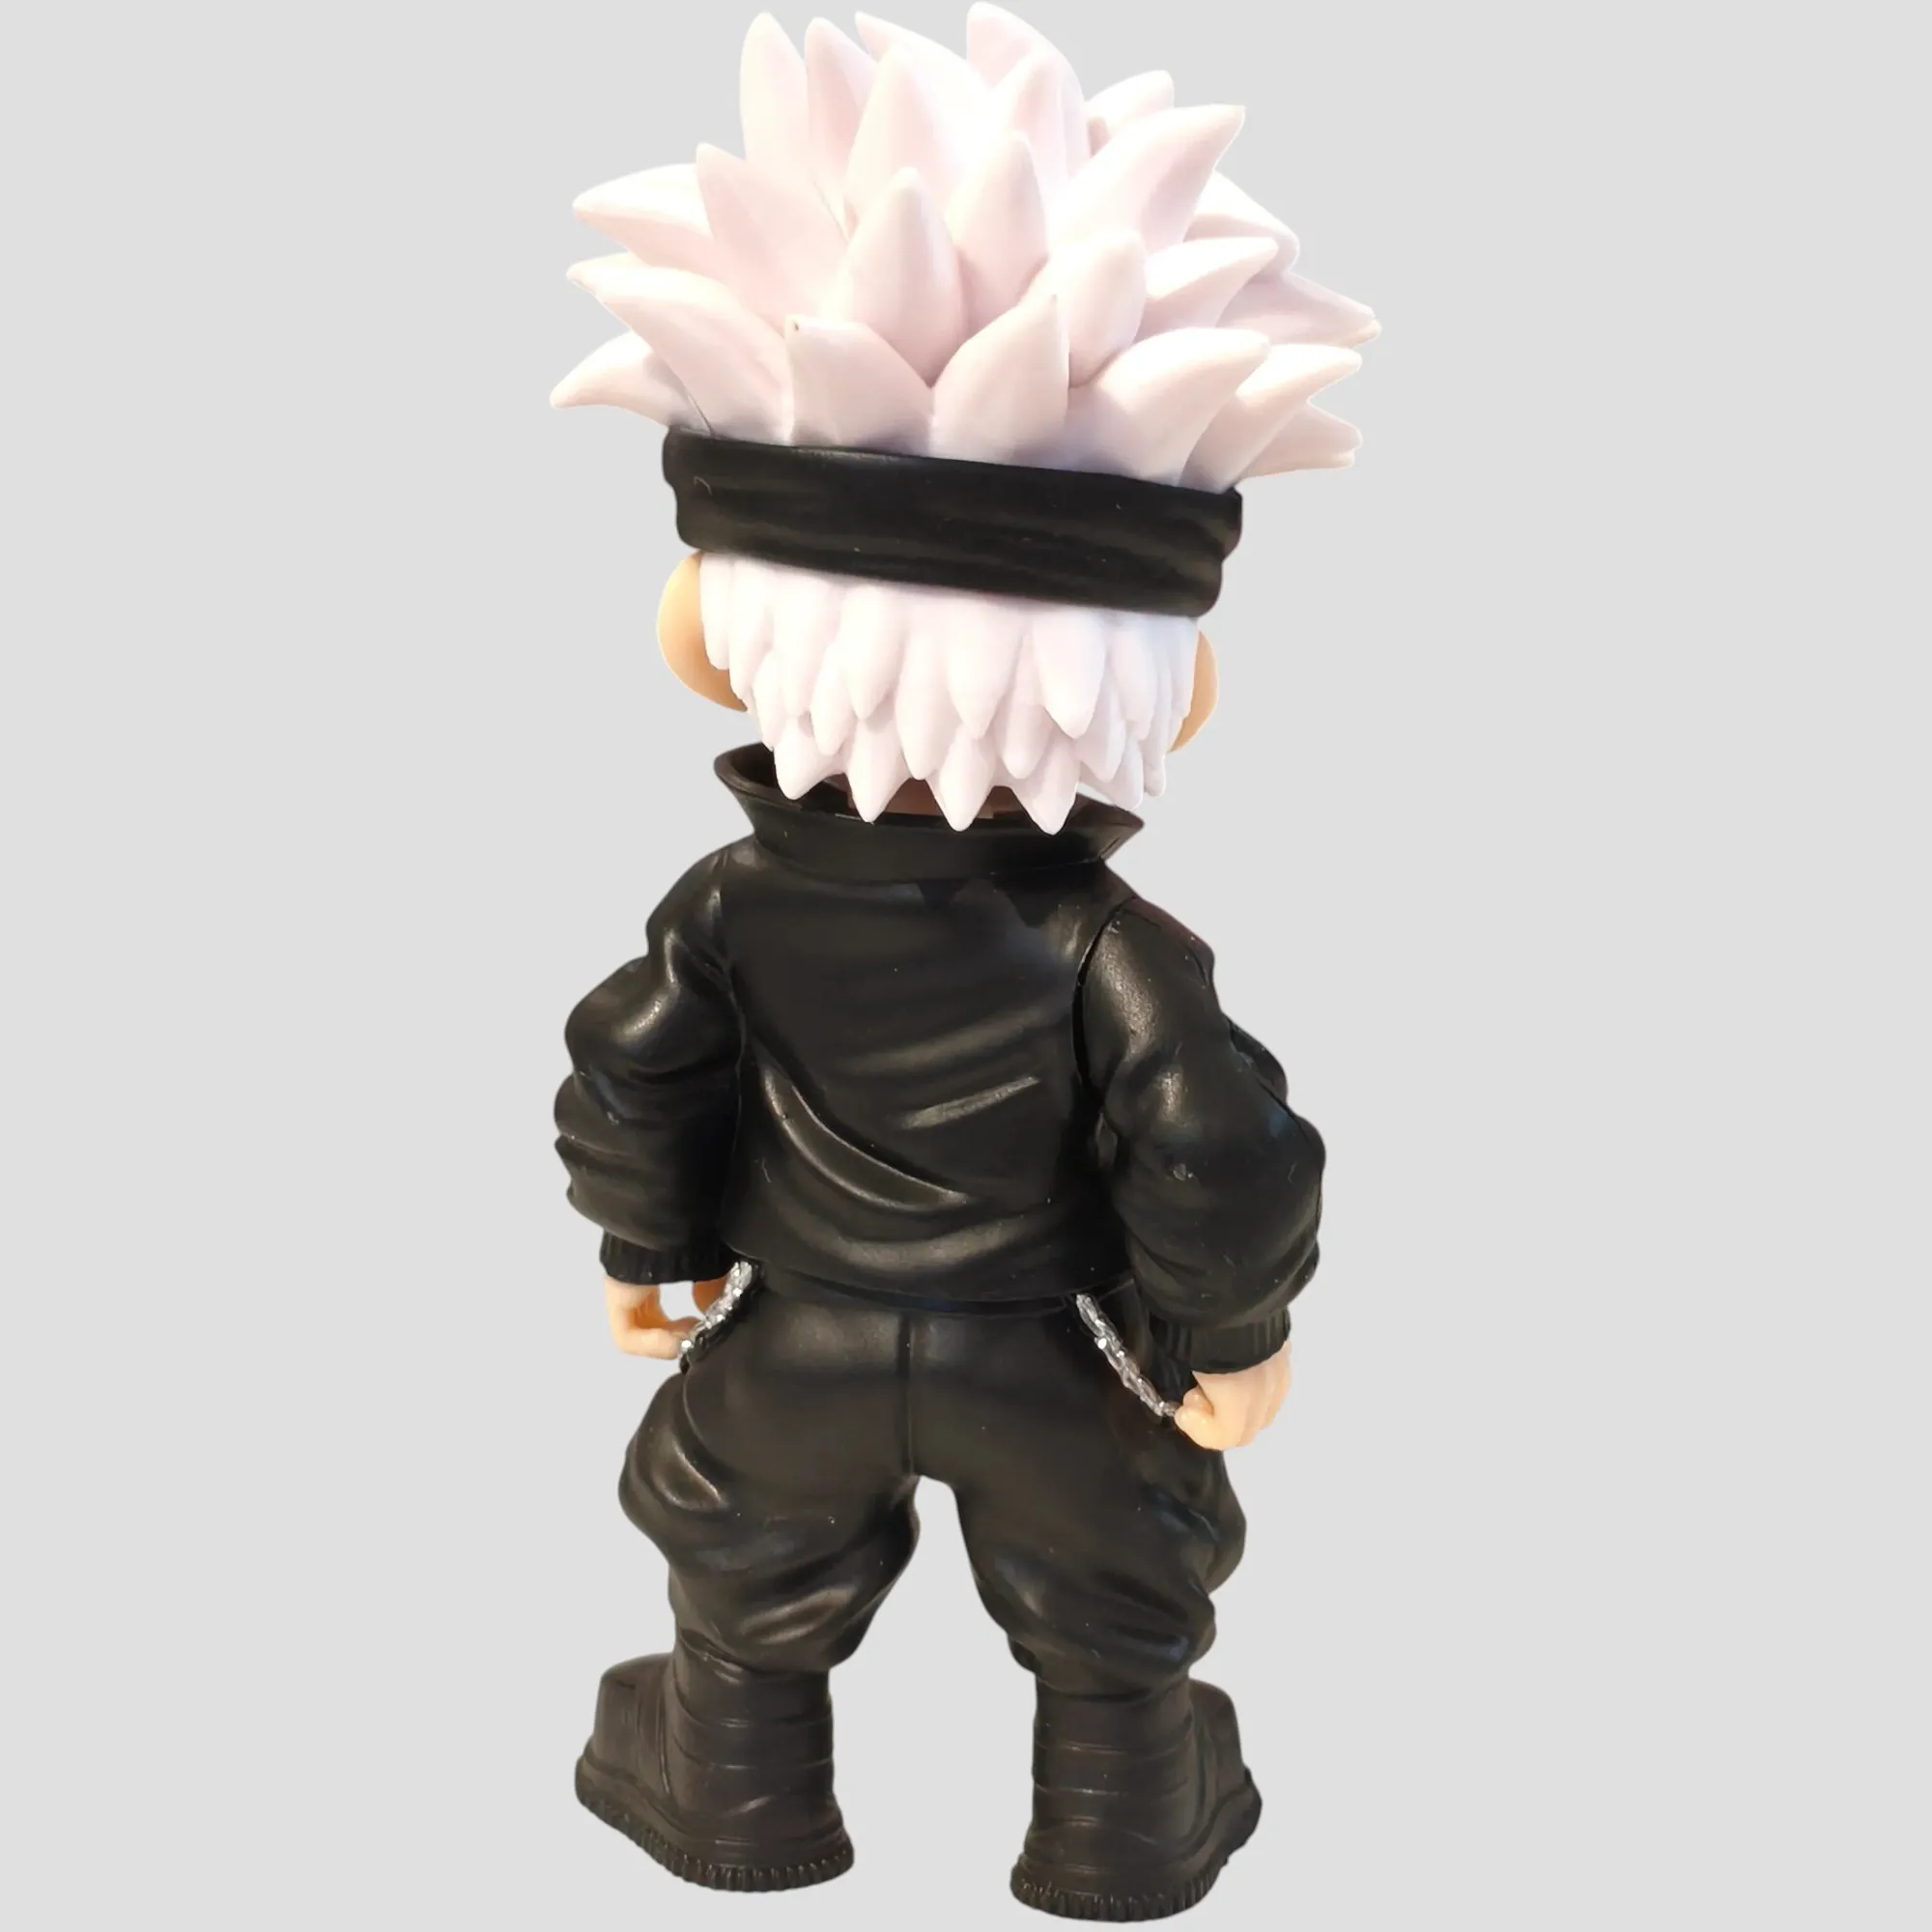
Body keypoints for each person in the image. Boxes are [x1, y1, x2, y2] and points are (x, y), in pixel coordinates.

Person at [550, 10, 1374, 1918]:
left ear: (710, 632)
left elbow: (633, 1065)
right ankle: (1122, 1821)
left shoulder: (727, 905)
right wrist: (1228, 1335)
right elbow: (1215, 1143)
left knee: (740, 1559)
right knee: (1117, 1591)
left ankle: (738, 1786)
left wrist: (646, 1244)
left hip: (802, 1330)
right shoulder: (1109, 947)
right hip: (1048, 1351)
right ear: (1173, 685)